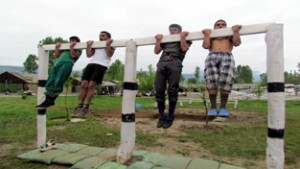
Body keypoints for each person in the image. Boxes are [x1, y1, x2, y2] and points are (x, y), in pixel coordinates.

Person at [154, 24, 192, 129]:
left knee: (172, 90)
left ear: (179, 31)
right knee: (159, 90)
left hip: (175, 62)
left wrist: (183, 37)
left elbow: (184, 49)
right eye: (170, 30)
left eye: (174, 30)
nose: (172, 32)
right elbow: (156, 51)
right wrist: (158, 40)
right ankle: (161, 116)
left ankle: (170, 116)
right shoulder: (166, 40)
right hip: (162, 62)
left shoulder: (186, 37)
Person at [202, 19, 242, 117]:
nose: (220, 26)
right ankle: (213, 108)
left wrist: (236, 31)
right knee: (212, 81)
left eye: (223, 25)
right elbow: (206, 46)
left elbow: (237, 43)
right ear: (214, 27)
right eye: (218, 25)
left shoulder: (230, 35)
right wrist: (207, 35)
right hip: (212, 55)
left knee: (226, 81)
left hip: (227, 55)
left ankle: (223, 108)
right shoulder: (211, 35)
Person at [74, 31, 115, 116]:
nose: (101, 37)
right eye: (100, 35)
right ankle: (79, 105)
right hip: (91, 63)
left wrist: (107, 45)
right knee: (84, 84)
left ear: (108, 37)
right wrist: (88, 46)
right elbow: (89, 55)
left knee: (91, 85)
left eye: (103, 36)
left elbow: (109, 54)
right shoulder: (96, 44)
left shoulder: (112, 43)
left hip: (102, 65)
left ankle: (86, 107)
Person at [37, 36, 82, 108]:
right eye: (71, 40)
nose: (72, 41)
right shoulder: (65, 47)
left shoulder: (79, 48)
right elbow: (57, 55)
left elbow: (73, 56)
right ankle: (47, 100)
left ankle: (52, 99)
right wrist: (57, 47)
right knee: (51, 80)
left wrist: (71, 47)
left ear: (77, 42)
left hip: (67, 63)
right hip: (57, 63)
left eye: (74, 40)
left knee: (58, 81)